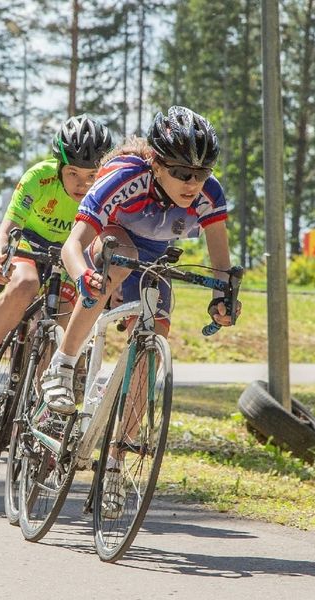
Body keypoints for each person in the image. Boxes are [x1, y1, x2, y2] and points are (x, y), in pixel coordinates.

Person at [41, 106, 241, 416]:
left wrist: (221, 299)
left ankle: (121, 445)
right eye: (182, 173)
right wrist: (83, 276)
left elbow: (221, 263)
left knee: (153, 344)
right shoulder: (125, 177)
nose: (192, 183)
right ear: (157, 165)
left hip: (156, 253)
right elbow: (73, 245)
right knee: (121, 259)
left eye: (202, 173)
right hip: (112, 237)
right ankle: (62, 366)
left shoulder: (210, 194)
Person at [0, 115, 112, 437]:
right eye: (73, 173)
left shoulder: (106, 188)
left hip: (71, 253)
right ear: (59, 166)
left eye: (91, 176)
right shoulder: (38, 178)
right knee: (25, 283)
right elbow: (8, 228)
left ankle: (44, 411)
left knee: (67, 321)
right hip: (30, 242)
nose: (82, 184)